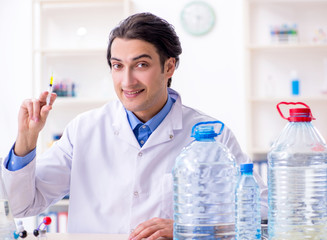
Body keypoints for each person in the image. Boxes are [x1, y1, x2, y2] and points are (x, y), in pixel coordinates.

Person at [2, 12, 267, 239]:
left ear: (169, 67)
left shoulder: (213, 134)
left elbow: (261, 209)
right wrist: (26, 140)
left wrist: (190, 230)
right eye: (118, 66)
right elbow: (23, 206)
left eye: (141, 64)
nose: (127, 81)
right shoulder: (83, 130)